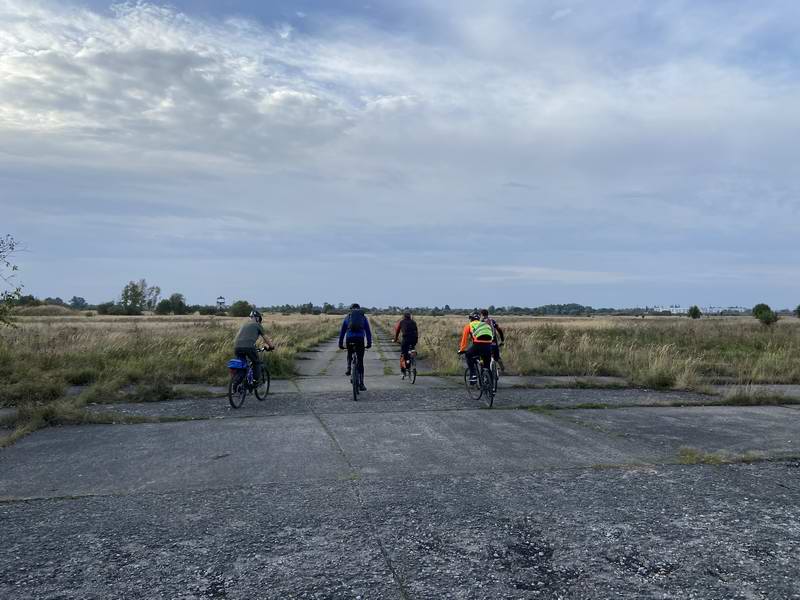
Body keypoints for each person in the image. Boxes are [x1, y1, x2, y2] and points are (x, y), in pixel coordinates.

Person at [233, 310, 274, 385]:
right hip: (249, 348)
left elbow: (239, 337)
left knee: (242, 365)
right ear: (258, 318)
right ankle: (255, 381)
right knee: (257, 363)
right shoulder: (257, 325)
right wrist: (271, 347)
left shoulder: (244, 325)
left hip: (237, 347)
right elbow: (266, 338)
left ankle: (237, 383)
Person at [338, 303, 372, 391]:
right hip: (360, 340)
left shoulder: (347, 318)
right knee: (360, 361)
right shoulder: (363, 317)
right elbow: (368, 331)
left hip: (349, 339)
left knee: (349, 352)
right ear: (359, 309)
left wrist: (340, 343)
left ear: (351, 309)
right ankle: (361, 384)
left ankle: (349, 368)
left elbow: (342, 332)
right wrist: (369, 343)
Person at [458, 310, 494, 383]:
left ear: (471, 319)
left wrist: (462, 349)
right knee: (487, 366)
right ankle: (491, 387)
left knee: (468, 355)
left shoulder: (469, 325)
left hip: (478, 344)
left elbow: (464, 339)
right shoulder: (484, 324)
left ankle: (473, 374)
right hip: (488, 345)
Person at [480, 308, 506, 373]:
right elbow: (499, 330)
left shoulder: (481, 322)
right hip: (494, 341)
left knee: (483, 357)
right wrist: (502, 340)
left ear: (482, 315)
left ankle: (484, 373)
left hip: (485, 342)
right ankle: (503, 370)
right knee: (497, 357)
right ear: (487, 314)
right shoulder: (492, 321)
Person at [393, 311, 419, 377]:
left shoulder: (402, 322)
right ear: (410, 317)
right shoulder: (414, 322)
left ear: (404, 317)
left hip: (406, 340)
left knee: (403, 354)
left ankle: (403, 370)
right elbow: (416, 332)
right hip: (414, 340)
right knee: (412, 350)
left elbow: (397, 331)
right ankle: (413, 362)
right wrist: (416, 340)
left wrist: (395, 339)